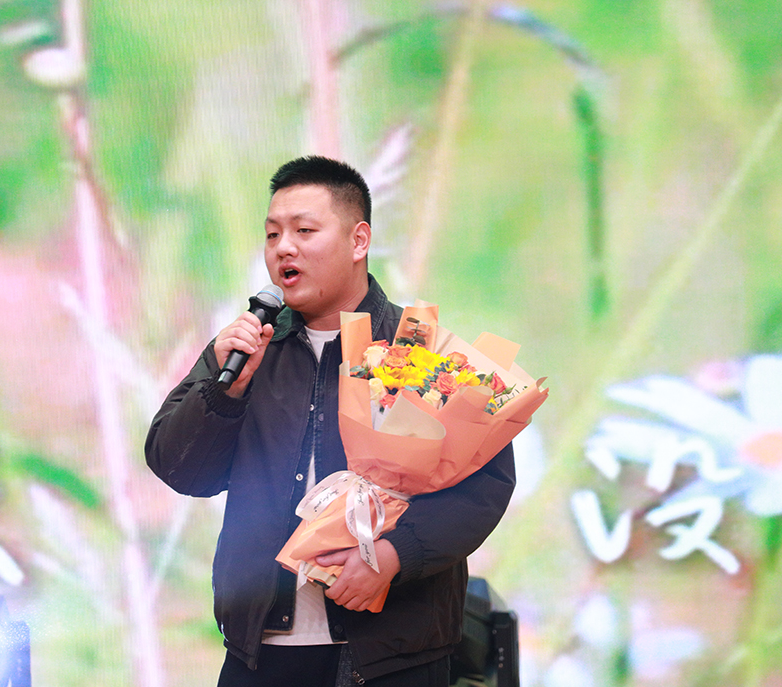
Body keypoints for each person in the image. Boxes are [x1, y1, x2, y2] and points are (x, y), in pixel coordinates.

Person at [145, 156, 515, 686]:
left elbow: (485, 486)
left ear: (359, 240)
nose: (283, 248)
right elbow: (179, 468)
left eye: (304, 231)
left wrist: (394, 556)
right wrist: (227, 393)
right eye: (272, 234)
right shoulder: (246, 348)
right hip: (260, 653)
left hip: (393, 657)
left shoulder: (419, 350)